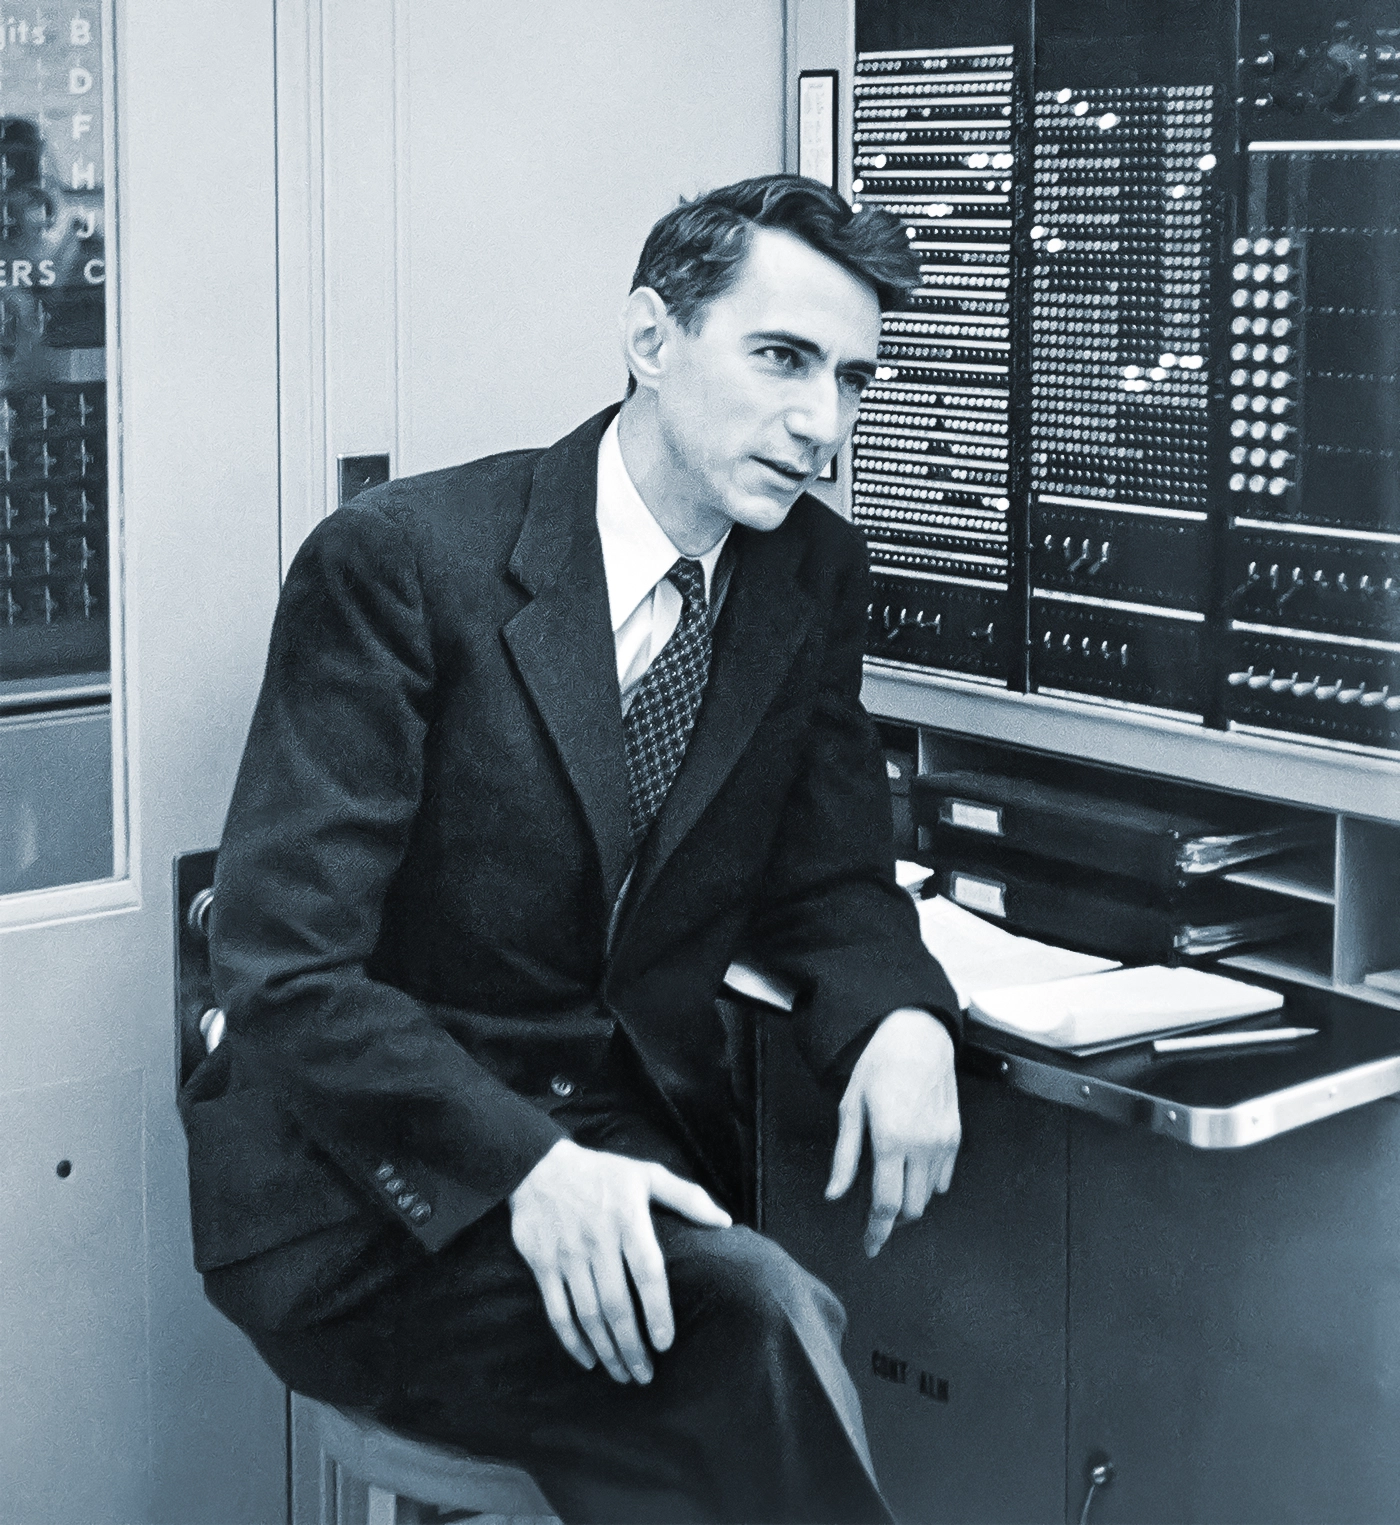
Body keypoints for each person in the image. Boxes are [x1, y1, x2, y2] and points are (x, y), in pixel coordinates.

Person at [181, 173, 963, 1525]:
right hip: (361, 1186)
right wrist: (523, 1167)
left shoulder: (809, 575)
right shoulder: (403, 562)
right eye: (781, 359)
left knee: (722, 1387)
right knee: (758, 1326)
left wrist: (900, 1018)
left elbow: (828, 874)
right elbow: (285, 971)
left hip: (615, 1150)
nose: (821, 424)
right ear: (652, 340)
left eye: (851, 381)